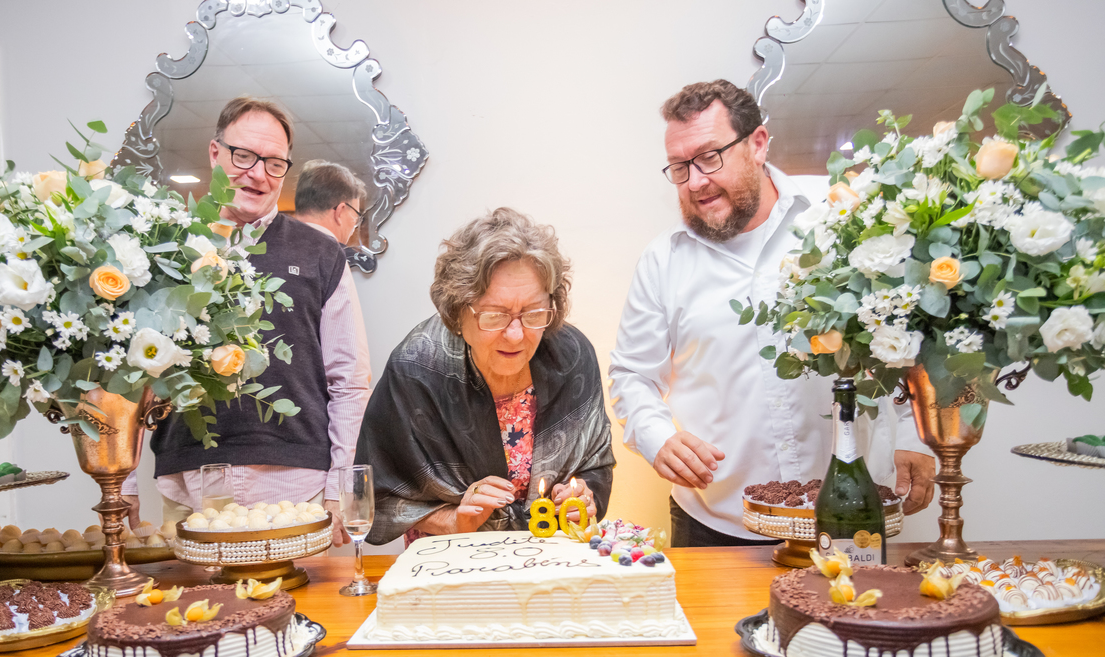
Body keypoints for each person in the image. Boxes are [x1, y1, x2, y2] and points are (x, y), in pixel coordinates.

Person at [609, 80, 935, 548]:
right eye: (680, 167)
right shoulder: (663, 260)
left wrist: (913, 436)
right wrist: (657, 437)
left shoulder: (842, 215)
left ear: (758, 144)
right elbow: (632, 374)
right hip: (716, 521)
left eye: (709, 157)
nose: (695, 181)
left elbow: (904, 334)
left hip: (850, 509)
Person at [123, 98, 371, 546]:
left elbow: (349, 381)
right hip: (186, 482)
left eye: (274, 163)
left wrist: (340, 489)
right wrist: (121, 482)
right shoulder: (164, 247)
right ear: (215, 153)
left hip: (298, 488)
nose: (258, 174)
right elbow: (130, 374)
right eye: (244, 156)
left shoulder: (321, 253)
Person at [356, 208, 614, 545]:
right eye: (494, 315)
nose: (516, 335)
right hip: (450, 559)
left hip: (551, 553)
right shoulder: (417, 367)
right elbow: (376, 499)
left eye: (533, 312)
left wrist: (583, 496)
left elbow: (594, 465)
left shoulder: (572, 355)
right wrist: (454, 520)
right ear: (457, 312)